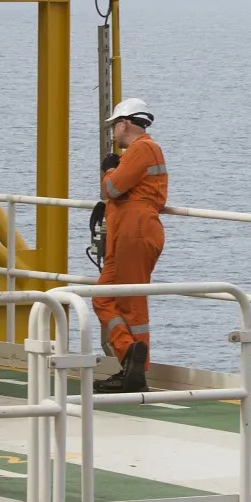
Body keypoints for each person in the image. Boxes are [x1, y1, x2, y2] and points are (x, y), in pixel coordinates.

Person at [93, 97, 167, 393]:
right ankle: (129, 358)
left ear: (124, 124)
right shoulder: (142, 152)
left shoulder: (143, 148)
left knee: (132, 304)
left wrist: (109, 169)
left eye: (114, 126)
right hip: (127, 231)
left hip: (133, 231)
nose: (113, 133)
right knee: (103, 298)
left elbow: (112, 187)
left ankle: (135, 372)